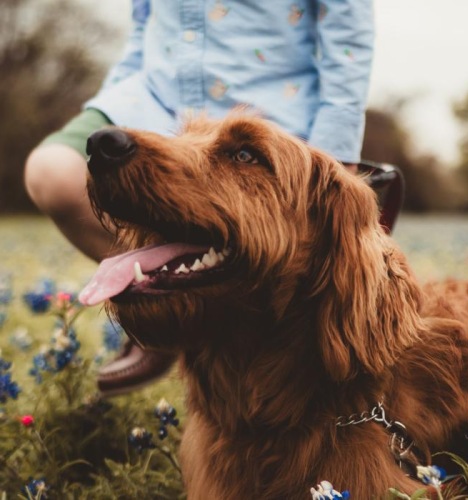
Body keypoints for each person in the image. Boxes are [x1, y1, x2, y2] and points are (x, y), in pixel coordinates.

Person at [24, 0, 374, 396]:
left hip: (269, 106)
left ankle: (200, 308)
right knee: (53, 170)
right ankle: (168, 307)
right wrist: (116, 96)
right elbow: (143, 25)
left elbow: (348, 26)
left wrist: (336, 149)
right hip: (154, 99)